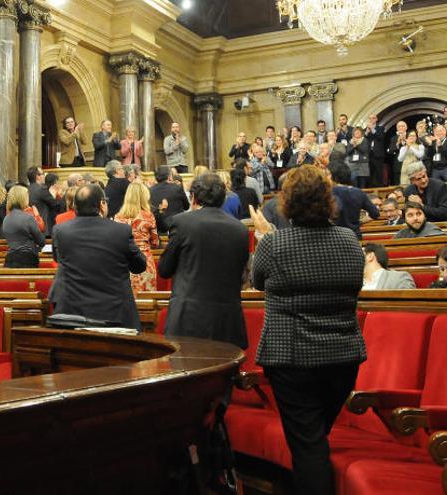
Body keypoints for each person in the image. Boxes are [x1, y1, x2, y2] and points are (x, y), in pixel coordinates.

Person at [250, 165, 366, 495]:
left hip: (293, 358)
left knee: (308, 446)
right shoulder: (349, 240)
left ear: (288, 201)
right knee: (314, 440)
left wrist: (263, 236)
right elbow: (354, 285)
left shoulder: (275, 243)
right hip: (343, 358)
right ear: (327, 199)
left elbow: (257, 282)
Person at [158, 173, 249, 349]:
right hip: (227, 322)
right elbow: (242, 276)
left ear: (192, 197)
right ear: (223, 198)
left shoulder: (181, 223)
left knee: (187, 373)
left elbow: (164, 269)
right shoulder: (240, 229)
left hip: (188, 320)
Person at [49, 184, 146, 328]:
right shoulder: (121, 231)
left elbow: (59, 259)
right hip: (114, 313)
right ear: (102, 203)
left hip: (73, 314)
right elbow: (139, 266)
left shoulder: (60, 231)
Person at [114, 182, 158, 292]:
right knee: (148, 300)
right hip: (144, 261)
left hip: (124, 261)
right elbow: (155, 242)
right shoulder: (148, 216)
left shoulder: (118, 217)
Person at [329, 163, 380, 239]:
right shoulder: (359, 192)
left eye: (328, 174)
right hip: (354, 236)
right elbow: (375, 213)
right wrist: (360, 222)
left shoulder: (330, 192)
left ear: (334, 177)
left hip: (336, 237)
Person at [2, 185, 46, 268]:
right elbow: (41, 241)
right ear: (22, 198)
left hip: (10, 259)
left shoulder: (6, 219)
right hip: (27, 259)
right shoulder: (28, 218)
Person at [149, 165, 189, 235]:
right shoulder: (177, 188)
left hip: (158, 230)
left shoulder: (150, 190)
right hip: (177, 229)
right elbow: (186, 207)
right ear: (169, 176)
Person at [27, 166, 61, 234]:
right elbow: (56, 205)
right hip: (42, 227)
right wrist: (55, 195)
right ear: (37, 176)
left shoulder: (26, 189)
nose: (44, 175)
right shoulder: (42, 189)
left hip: (29, 227)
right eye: (43, 173)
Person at [365, 113, 387, 186]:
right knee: (369, 174)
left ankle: (380, 188)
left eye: (373, 118)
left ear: (376, 119)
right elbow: (363, 140)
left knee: (379, 173)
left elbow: (380, 137)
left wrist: (372, 129)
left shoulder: (380, 128)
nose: (371, 120)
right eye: (370, 118)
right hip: (369, 155)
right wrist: (367, 132)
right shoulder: (365, 129)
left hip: (378, 155)